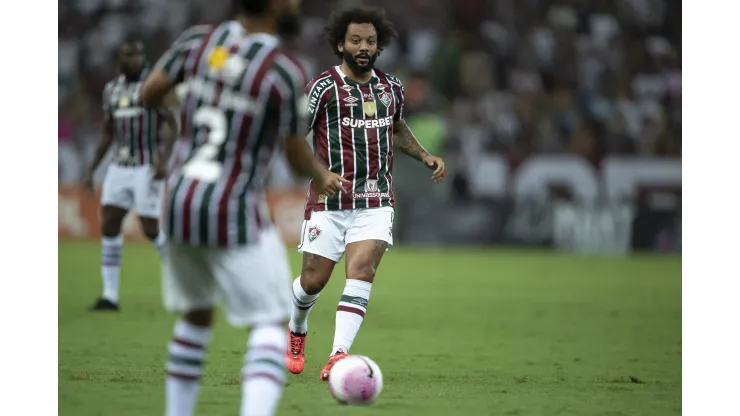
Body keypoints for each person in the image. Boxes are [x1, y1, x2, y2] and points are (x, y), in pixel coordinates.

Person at [141, 0, 345, 414]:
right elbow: (293, 153)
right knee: (270, 325)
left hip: (179, 200)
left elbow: (149, 93)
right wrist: (322, 175)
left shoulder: (198, 41)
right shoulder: (283, 70)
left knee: (195, 318)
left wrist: (199, 108)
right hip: (231, 206)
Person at [285, 6, 446, 381]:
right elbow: (295, 137)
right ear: (340, 44)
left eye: (370, 41)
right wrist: (318, 173)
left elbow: (397, 127)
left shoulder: (391, 88)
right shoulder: (323, 88)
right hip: (329, 201)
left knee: (362, 270)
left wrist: (424, 155)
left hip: (375, 200)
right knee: (313, 281)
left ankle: (338, 354)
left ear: (379, 46)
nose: (363, 47)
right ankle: (297, 327)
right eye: (356, 40)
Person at [85, 38, 177, 311]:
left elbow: (172, 124)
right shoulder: (111, 90)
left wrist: (163, 159)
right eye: (128, 55)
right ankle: (109, 294)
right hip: (119, 166)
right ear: (119, 59)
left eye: (137, 54)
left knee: (150, 228)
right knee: (110, 222)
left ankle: (179, 279)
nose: (133, 59)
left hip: (146, 166)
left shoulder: (153, 87)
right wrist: (92, 168)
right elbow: (108, 132)